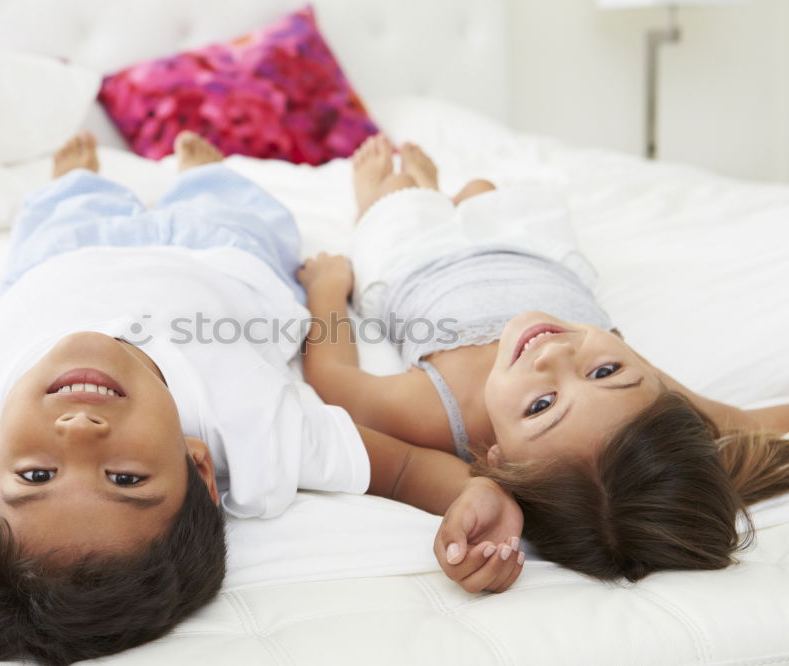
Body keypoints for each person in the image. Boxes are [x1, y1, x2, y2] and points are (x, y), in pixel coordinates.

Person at [0, 131, 526, 666]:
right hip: (220, 258)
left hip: (62, 263)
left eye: (35, 476)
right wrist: (471, 497)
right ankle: (203, 170)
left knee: (57, 211)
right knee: (241, 205)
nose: (79, 432)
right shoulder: (260, 434)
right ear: (200, 468)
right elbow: (397, 469)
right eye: (126, 479)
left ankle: (74, 179)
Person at [298, 134, 789, 583]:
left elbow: (333, 377)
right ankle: (442, 192)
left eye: (541, 406)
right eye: (604, 371)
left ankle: (391, 194)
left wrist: (327, 292)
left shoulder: (434, 409)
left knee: (397, 189)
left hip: (420, 261)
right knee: (481, 187)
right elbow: (747, 421)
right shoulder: (644, 404)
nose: (554, 353)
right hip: (528, 252)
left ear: (497, 461)